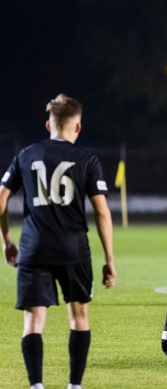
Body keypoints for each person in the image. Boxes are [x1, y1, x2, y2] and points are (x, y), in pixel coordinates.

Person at [0, 93, 117, 389]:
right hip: (73, 248)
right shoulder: (87, 159)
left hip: (34, 247)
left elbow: (1, 199)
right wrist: (109, 260)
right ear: (77, 127)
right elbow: (102, 212)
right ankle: (74, 386)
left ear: (48, 124)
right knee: (79, 318)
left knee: (33, 322)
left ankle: (36, 385)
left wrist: (7, 240)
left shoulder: (26, 155)